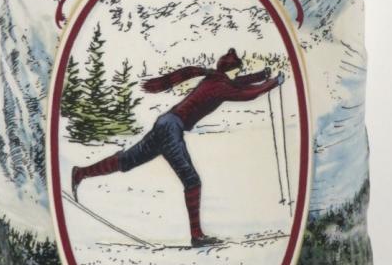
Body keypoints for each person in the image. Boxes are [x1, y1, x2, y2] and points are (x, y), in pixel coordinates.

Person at [71, 48, 283, 247]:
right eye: (239, 70)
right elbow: (246, 93)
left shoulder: (215, 78)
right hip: (171, 130)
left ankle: (81, 173)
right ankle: (197, 236)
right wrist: (272, 83)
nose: (240, 73)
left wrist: (261, 75)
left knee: (127, 160)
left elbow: (239, 83)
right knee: (192, 181)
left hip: (165, 123)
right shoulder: (221, 86)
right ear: (231, 71)